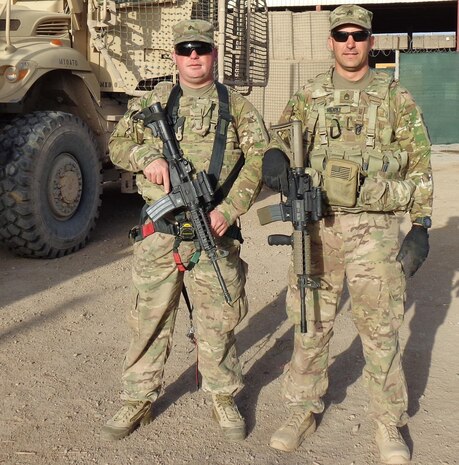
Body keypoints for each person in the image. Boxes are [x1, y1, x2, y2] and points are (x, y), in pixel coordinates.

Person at [262, 5, 432, 464]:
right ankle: (301, 409)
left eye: (359, 35)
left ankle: (387, 422)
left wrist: (420, 224)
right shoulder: (309, 96)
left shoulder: (396, 98)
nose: (351, 43)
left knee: (380, 327)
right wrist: (274, 158)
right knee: (310, 321)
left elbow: (420, 164)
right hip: (316, 228)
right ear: (331, 42)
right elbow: (279, 139)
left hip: (374, 230)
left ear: (371, 42)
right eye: (342, 35)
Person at [102, 19, 268, 442]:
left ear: (214, 54)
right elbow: (117, 146)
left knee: (218, 318)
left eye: (202, 48)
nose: (194, 55)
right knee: (150, 316)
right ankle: (137, 397)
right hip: (161, 230)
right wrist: (146, 156)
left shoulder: (237, 105)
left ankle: (223, 394)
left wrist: (230, 209)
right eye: (186, 48)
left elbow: (261, 160)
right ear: (175, 56)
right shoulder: (156, 99)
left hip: (214, 225)